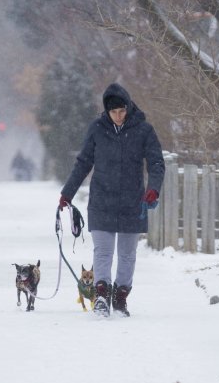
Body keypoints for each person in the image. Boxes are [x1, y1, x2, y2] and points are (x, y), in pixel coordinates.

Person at [58, 83, 165, 317]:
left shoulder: (144, 130)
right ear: (106, 111)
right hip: (102, 200)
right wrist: (67, 194)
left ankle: (120, 298)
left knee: (127, 254)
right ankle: (102, 297)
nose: (118, 116)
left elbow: (156, 162)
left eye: (122, 111)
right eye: (113, 112)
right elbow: (84, 162)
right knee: (103, 252)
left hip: (132, 201)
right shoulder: (97, 129)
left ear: (128, 107)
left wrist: (153, 190)